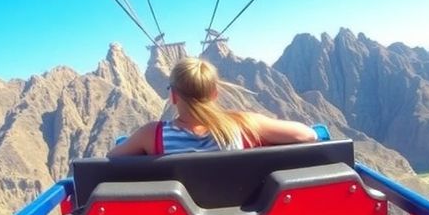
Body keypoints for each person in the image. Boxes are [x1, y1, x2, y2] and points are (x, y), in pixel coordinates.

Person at [109, 57, 317, 156]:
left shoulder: (151, 135)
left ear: (172, 96)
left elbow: (111, 160)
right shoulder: (243, 125)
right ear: (214, 94)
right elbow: (308, 135)